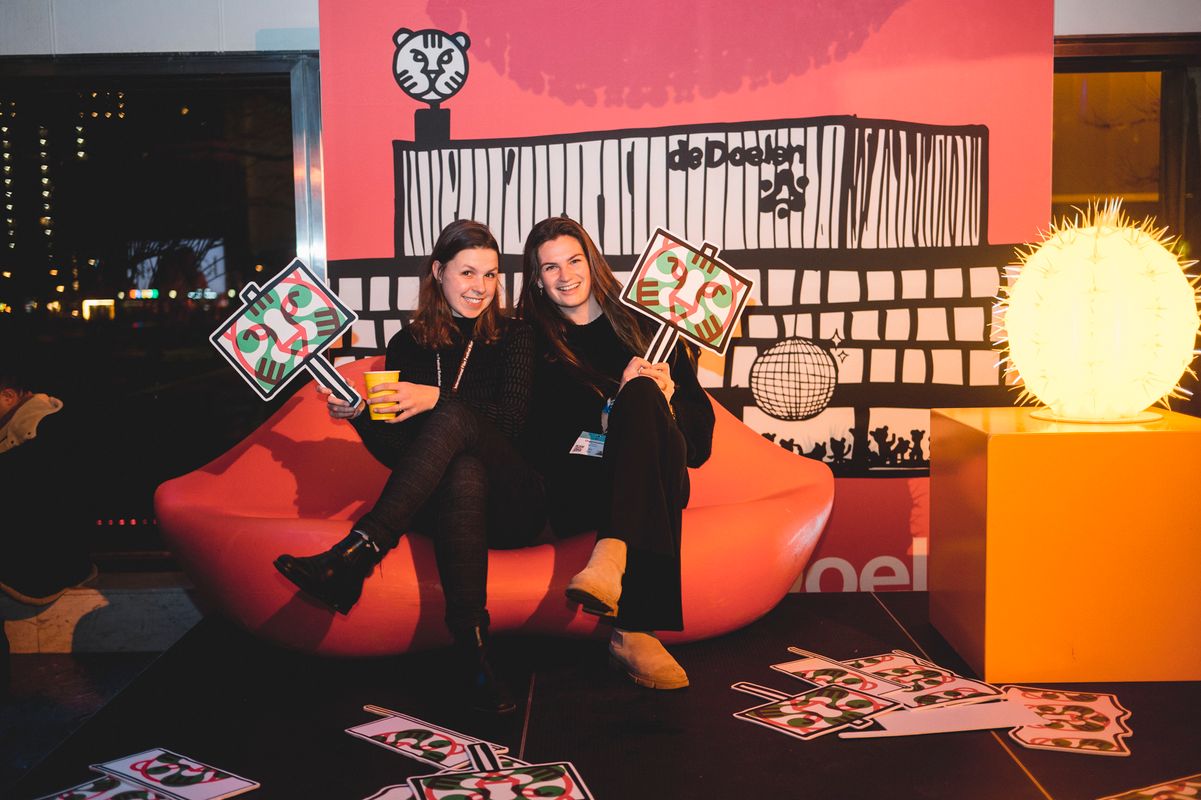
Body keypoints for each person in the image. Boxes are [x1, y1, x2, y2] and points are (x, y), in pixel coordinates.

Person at [274, 220, 544, 713]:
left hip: (515, 502)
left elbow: (512, 422)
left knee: (459, 430)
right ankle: (474, 654)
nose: (481, 287)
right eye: (467, 272)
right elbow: (403, 454)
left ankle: (359, 552)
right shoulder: (408, 344)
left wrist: (436, 398)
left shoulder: (516, 335)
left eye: (490, 275)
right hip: (450, 509)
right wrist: (361, 415)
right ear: (438, 272)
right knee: (462, 472)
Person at [517, 216, 714, 690]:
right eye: (550, 267)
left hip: (660, 472)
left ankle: (610, 556)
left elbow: (699, 445)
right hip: (579, 488)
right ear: (537, 280)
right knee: (634, 398)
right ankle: (632, 631)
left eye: (574, 261)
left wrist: (663, 400)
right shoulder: (528, 342)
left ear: (593, 263)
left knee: (645, 393)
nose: (565, 276)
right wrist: (611, 411)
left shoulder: (648, 327)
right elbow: (535, 444)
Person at [0, 357, 96, 606]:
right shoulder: (42, 424)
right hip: (67, 564)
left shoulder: (43, 437)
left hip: (39, 573)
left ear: (8, 396)